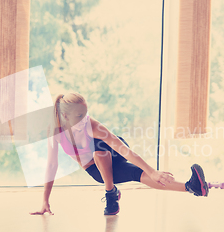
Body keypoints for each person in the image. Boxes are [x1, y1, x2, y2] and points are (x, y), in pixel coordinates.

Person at [30, 92, 208, 216]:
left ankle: (110, 195)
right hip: (96, 170)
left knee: (100, 146)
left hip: (115, 153)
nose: (85, 119)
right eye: (79, 116)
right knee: (136, 174)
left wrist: (153, 170)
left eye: (86, 114)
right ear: (65, 116)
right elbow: (52, 165)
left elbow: (123, 149)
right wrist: (45, 200)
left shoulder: (92, 125)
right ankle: (192, 187)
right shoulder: (55, 132)